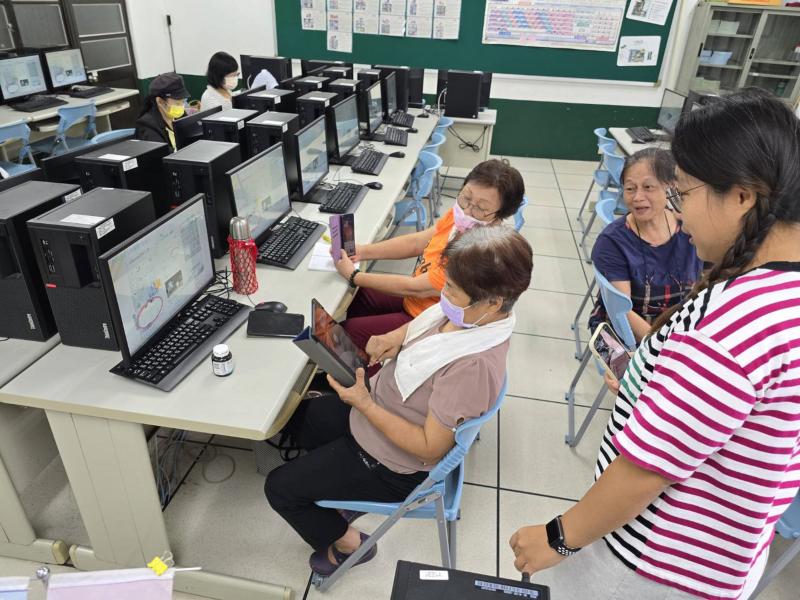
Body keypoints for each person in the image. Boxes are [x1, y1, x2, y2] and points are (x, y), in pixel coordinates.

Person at [509, 88, 800, 600]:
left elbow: (647, 470)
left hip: (652, 562)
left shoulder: (736, 324)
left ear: (742, 195)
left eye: (682, 193)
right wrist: (655, 384)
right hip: (719, 554)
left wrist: (559, 536)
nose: (677, 213)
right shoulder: (782, 292)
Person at [267, 226, 533, 577]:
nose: (443, 293)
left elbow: (428, 448)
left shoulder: (474, 366)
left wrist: (365, 404)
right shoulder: (468, 316)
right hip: (378, 412)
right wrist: (393, 338)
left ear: (494, 301)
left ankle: (351, 544)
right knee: (300, 417)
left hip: (392, 464)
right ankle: (335, 485)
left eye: (451, 289)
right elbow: (425, 327)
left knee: (279, 488)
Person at [333, 159, 525, 351]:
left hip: (428, 318)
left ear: (500, 214)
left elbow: (415, 288)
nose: (467, 211)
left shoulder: (477, 256)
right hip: (415, 299)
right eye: (466, 197)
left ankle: (364, 363)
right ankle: (366, 359)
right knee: (361, 296)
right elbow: (417, 242)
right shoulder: (460, 217)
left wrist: (354, 276)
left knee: (347, 331)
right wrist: (363, 251)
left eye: (481, 209)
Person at [590, 148, 702, 342]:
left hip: (678, 328)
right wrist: (663, 349)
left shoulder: (690, 229)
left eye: (648, 187)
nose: (637, 197)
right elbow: (622, 313)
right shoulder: (612, 242)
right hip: (623, 331)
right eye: (630, 188)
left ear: (670, 187)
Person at [134, 72, 190, 151]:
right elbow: (161, 157)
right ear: (160, 101)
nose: (181, 106)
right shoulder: (147, 127)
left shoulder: (180, 116)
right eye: (177, 103)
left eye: (183, 101)